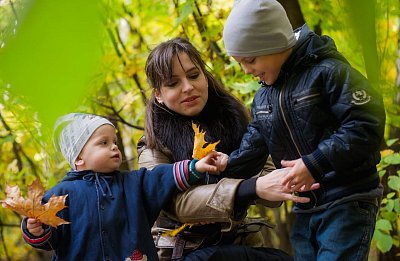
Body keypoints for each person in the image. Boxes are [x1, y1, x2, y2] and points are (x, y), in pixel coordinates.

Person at [221, 0, 386, 260]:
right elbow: (254, 144)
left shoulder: (328, 72)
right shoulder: (263, 98)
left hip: (346, 199)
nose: (246, 70)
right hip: (305, 207)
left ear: (273, 43)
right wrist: (226, 164)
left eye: (250, 60)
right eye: (240, 63)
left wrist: (314, 163)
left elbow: (366, 124)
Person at [140, 37, 319, 260]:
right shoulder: (152, 145)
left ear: (205, 77)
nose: (188, 87)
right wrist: (250, 188)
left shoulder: (236, 121)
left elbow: (272, 190)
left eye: (194, 75)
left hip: (237, 242)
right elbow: (179, 205)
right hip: (182, 252)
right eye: (173, 83)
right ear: (158, 94)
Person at [19, 113, 223, 261]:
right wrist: (36, 230)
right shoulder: (60, 195)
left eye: (114, 141)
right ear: (79, 157)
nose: (114, 147)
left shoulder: (133, 183)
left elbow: (162, 177)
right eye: (103, 143)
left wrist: (195, 166)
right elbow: (47, 239)